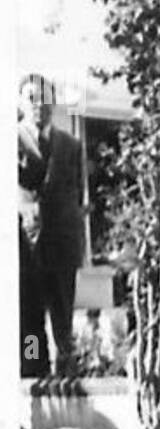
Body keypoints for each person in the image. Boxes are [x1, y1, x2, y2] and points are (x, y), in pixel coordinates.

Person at [17, 73, 85, 376]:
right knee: (30, 320)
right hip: (24, 247)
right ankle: (33, 369)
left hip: (62, 245)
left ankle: (65, 371)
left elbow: (77, 195)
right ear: (21, 102)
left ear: (53, 103)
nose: (38, 106)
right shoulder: (11, 140)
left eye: (45, 99)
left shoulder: (71, 145)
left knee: (62, 318)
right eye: (32, 98)